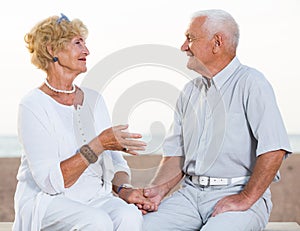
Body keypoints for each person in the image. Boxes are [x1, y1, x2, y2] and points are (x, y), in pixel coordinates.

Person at [142, 9, 292, 230]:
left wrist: (245, 198)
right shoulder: (189, 92)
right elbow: (176, 155)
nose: (183, 47)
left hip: (238, 194)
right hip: (190, 196)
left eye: (190, 38)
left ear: (217, 43)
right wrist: (157, 191)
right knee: (138, 226)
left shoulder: (252, 83)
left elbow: (274, 150)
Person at [12, 13, 154, 231]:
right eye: (78, 43)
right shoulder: (33, 105)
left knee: (129, 216)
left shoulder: (94, 100)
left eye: (85, 44)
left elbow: (116, 164)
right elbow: (51, 183)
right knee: (97, 221)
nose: (87, 51)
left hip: (94, 196)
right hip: (48, 200)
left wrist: (125, 190)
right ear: (52, 50)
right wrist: (98, 144)